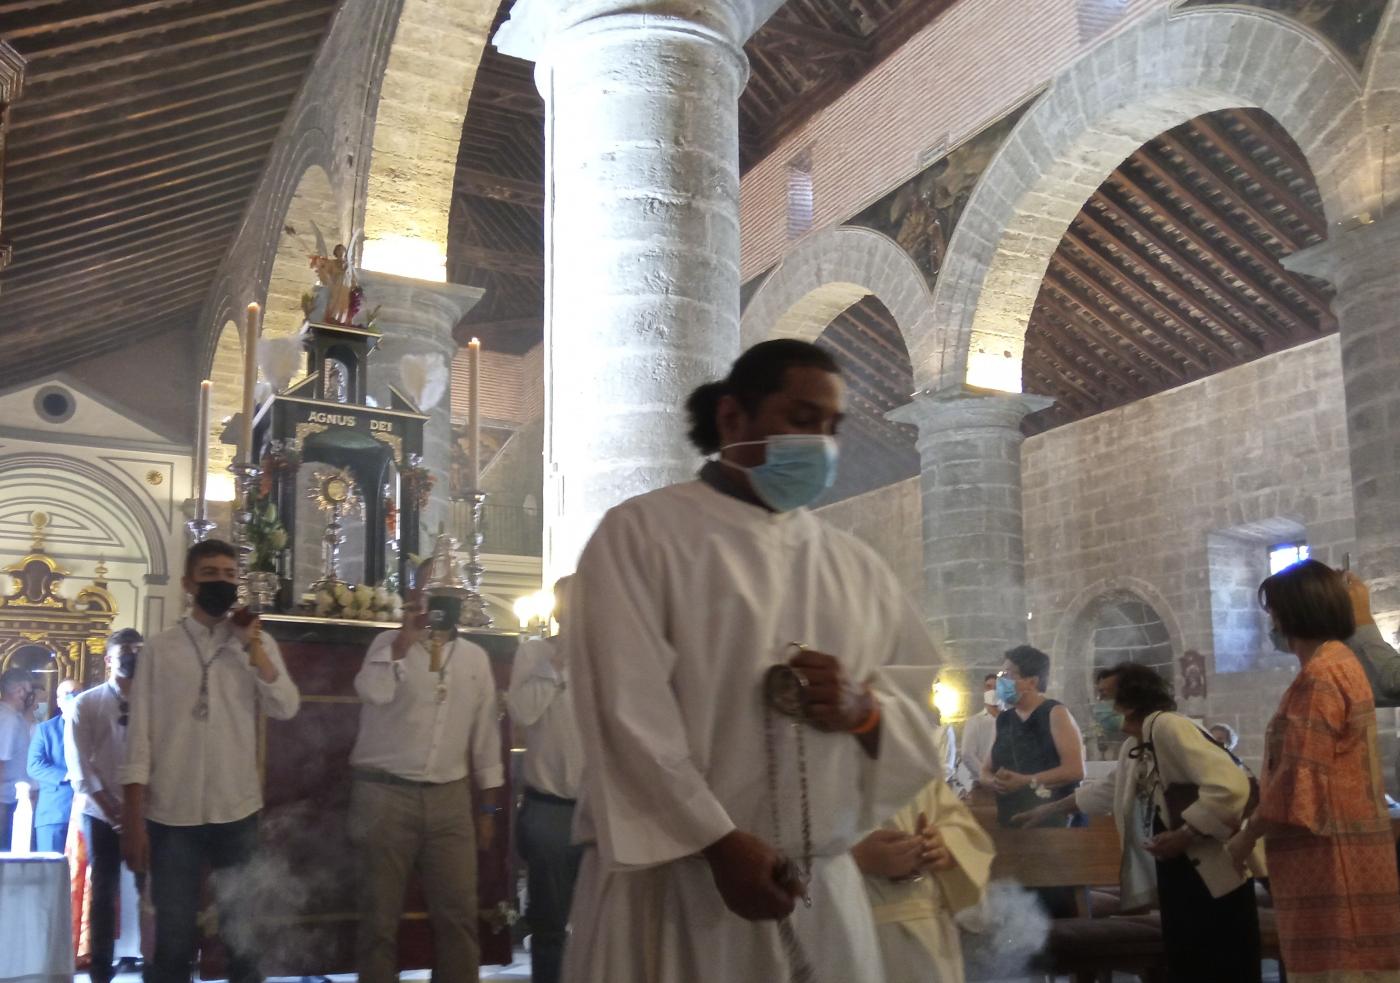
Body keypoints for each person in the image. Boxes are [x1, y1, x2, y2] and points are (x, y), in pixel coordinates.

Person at [561, 339, 944, 983]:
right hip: (681, 883)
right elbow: (626, 713)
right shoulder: (642, 535)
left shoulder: (855, 566)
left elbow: (916, 706)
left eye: (831, 427)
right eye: (800, 419)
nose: (820, 442)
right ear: (733, 419)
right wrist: (718, 843)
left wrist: (865, 712)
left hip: (822, 886)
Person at [119, 540, 300, 983]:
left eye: (227, 573)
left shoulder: (256, 643)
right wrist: (133, 817)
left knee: (243, 938)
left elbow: (286, 706)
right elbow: (139, 736)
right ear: (187, 583)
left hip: (236, 810)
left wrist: (252, 648)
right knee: (175, 941)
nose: (220, 581)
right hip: (172, 814)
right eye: (209, 574)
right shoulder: (160, 650)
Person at [1016, 663, 1262, 983]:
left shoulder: (1167, 727)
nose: (1099, 706)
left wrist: (1186, 833)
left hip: (1210, 872)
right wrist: (1049, 809)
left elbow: (1231, 786)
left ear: (1132, 698)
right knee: (1187, 964)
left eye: (1105, 697)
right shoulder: (1136, 744)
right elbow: (1110, 789)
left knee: (1219, 966)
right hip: (1178, 870)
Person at [1228, 559, 1400, 981]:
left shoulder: (1321, 676)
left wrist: (1248, 835)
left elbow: (1299, 775)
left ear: (1292, 613)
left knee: (1340, 970)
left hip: (1328, 855)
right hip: (1348, 844)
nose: (1272, 623)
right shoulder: (1342, 663)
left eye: (1272, 612)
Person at [348, 576, 504, 983]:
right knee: (379, 918)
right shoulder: (387, 644)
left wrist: (488, 807)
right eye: (437, 596)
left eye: (452, 597)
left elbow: (485, 736)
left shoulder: (475, 659)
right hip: (384, 794)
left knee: (459, 916)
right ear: (419, 598)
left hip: (450, 799)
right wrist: (403, 645)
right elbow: (371, 692)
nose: (443, 605)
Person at [855, 751, 994, 982]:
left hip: (929, 935)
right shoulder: (809, 762)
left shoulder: (911, 762)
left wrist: (945, 848)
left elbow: (959, 826)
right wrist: (853, 858)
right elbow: (786, 848)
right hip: (849, 929)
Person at [506, 577, 582, 983]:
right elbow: (522, 712)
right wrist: (557, 666)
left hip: (599, 812)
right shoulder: (533, 653)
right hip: (549, 810)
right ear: (556, 611)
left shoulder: (608, 658)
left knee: (600, 922)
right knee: (550, 925)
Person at [68, 629, 144, 983]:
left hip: (145, 810)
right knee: (104, 891)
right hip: (100, 811)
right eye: (125, 651)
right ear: (109, 659)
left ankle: (156, 964)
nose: (132, 656)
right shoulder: (87, 703)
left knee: (150, 891)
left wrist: (136, 811)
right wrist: (113, 810)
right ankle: (101, 970)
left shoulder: (154, 703)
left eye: (137, 651)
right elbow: (80, 767)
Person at [982, 645, 1085, 828]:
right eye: (1000, 676)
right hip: (1010, 817)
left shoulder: (1055, 712)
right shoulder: (1004, 719)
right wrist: (996, 782)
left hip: (1052, 820)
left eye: (1007, 675)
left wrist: (1024, 781)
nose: (1000, 683)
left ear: (1032, 682)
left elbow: (1075, 770)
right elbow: (985, 771)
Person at [27, 677, 76, 852]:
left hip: (88, 812)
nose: (74, 698)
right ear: (59, 701)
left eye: (77, 693)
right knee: (50, 871)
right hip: (55, 811)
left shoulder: (97, 729)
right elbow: (34, 765)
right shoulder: (46, 730)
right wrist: (66, 775)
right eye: (68, 694)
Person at [0, 666, 35, 851]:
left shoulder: (13, 717)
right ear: (20, 691)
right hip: (5, 800)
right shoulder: (9, 720)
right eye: (29, 691)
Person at [955, 674, 1000, 792]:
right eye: (988, 687)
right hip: (981, 784)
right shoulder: (975, 721)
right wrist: (987, 776)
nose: (992, 691)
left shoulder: (1012, 720)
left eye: (996, 688)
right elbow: (967, 754)